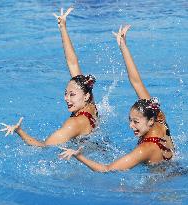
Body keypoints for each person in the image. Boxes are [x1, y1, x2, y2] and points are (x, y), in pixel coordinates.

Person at [59, 25, 175, 172]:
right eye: (131, 120)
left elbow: (107, 169)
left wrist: (79, 156)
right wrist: (123, 47)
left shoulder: (145, 149)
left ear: (150, 120)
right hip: (175, 167)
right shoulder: (159, 117)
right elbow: (136, 82)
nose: (131, 126)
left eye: (136, 122)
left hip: (158, 185)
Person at [0, 7, 98, 147]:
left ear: (85, 96)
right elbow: (72, 62)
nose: (66, 98)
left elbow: (43, 145)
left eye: (71, 94)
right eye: (66, 93)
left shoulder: (74, 124)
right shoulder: (90, 101)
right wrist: (63, 27)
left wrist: (19, 131)